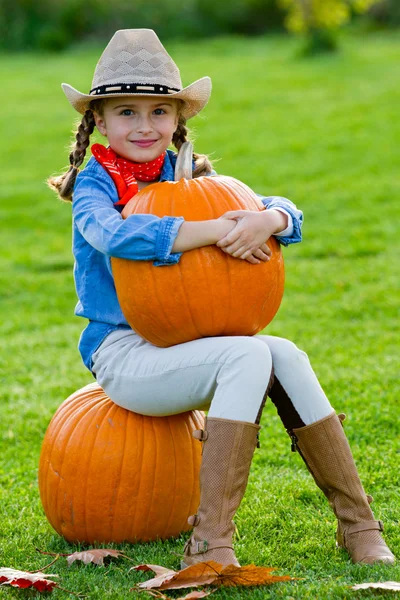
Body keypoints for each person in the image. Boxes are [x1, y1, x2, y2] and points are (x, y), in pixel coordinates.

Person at [48, 29, 394, 568]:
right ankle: (209, 543)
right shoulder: (95, 185)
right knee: (251, 352)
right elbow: (114, 236)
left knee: (284, 353)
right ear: (99, 119)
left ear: (178, 120)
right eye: (127, 112)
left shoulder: (186, 173)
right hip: (125, 352)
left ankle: (358, 525)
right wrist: (211, 232)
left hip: (188, 343)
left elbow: (275, 206)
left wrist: (268, 219)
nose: (145, 126)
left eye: (159, 112)